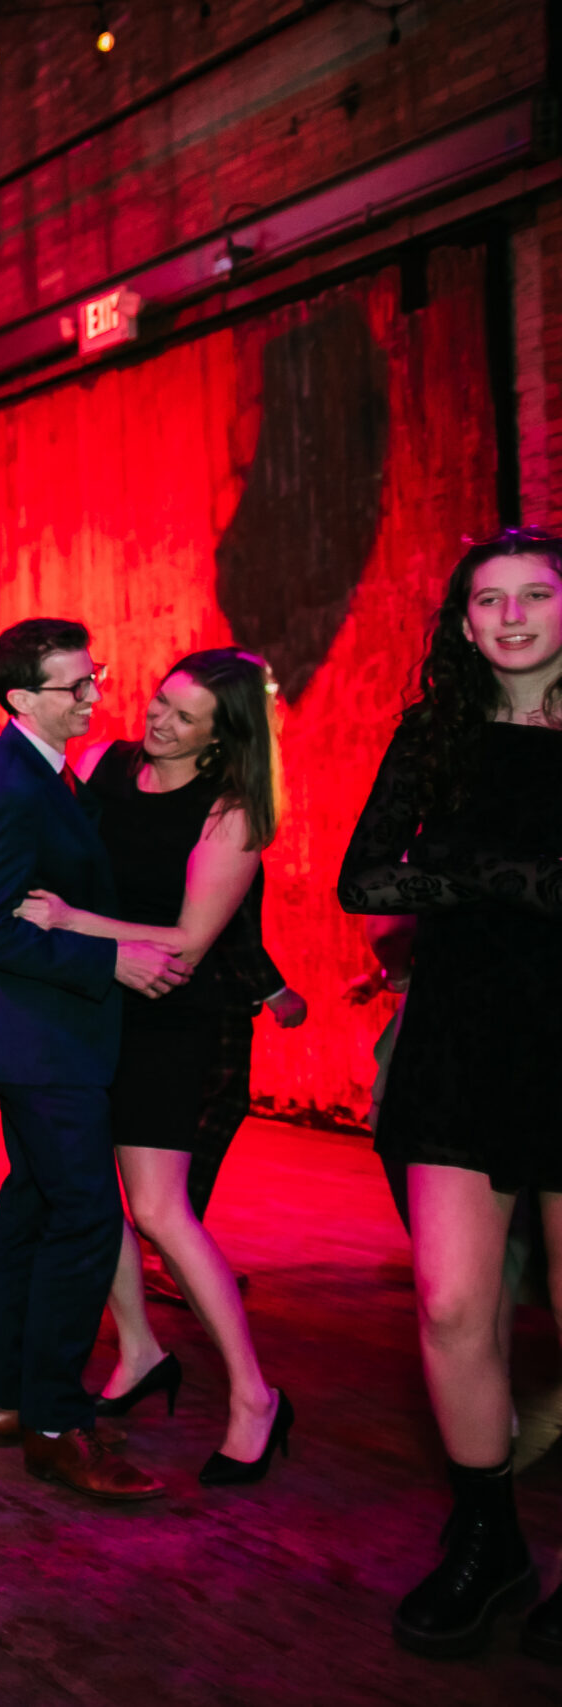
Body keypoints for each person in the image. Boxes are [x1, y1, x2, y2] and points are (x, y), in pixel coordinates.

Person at [338, 528, 562, 1661]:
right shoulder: (435, 734)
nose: (512, 616)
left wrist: (470, 881)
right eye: (488, 601)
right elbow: (363, 873)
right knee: (449, 1304)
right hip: (463, 1037)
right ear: (462, 623)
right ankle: (486, 1540)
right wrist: (508, 880)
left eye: (534, 595)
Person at [14, 649, 294, 1483]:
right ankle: (138, 1348)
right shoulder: (108, 764)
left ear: (223, 735)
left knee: (161, 1213)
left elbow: (186, 941)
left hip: (174, 1019)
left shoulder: (235, 810)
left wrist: (66, 920)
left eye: (184, 715)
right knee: (94, 1199)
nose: (157, 719)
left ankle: (254, 1395)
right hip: (93, 1006)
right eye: (161, 700)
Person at [0, 619, 187, 1502]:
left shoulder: (44, 770)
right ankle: (58, 1423)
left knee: (35, 1206)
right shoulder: (6, 783)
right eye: (74, 685)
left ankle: (7, 1398)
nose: (94, 695)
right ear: (19, 699)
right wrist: (109, 958)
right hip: (38, 1033)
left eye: (96, 678)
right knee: (87, 1218)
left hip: (43, 1032)